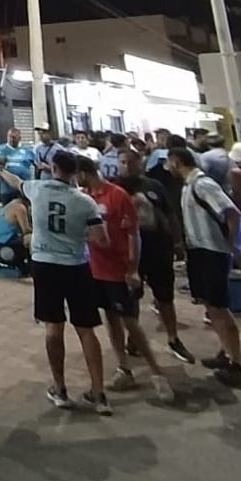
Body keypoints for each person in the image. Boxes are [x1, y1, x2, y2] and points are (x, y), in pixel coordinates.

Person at [0, 152, 113, 414]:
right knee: (86, 329)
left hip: (45, 264)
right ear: (75, 172)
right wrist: (78, 235)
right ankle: (99, 393)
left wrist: (0, 172)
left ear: (53, 167)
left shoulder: (38, 190)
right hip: (76, 265)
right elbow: (101, 239)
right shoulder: (86, 202)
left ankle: (60, 388)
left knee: (53, 327)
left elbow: (17, 183)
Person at [74, 156, 174, 403]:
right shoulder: (86, 198)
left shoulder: (117, 195)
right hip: (96, 269)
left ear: (84, 172)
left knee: (131, 323)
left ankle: (157, 374)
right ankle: (124, 369)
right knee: (111, 319)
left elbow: (133, 235)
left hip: (119, 270)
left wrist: (132, 269)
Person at [167, 147, 241, 386]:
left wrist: (231, 246)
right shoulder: (188, 186)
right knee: (211, 306)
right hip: (200, 251)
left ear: (176, 161)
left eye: (169, 162)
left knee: (219, 308)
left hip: (213, 252)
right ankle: (226, 352)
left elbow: (232, 213)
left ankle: (236, 364)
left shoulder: (203, 184)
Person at [116, 148, 194, 363]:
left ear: (140, 163)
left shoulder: (154, 186)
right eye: (122, 162)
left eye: (130, 162)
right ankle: (133, 338)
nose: (126, 166)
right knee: (131, 298)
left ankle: (173, 338)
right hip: (131, 253)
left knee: (165, 297)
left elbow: (170, 215)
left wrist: (177, 241)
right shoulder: (114, 188)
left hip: (158, 248)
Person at [0, 191, 31, 276]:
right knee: (30, 238)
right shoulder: (19, 208)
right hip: (5, 246)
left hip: (1, 244)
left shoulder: (11, 204)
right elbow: (26, 230)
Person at [0, 127, 34, 198]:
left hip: (24, 188)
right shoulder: (1, 149)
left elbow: (37, 164)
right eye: (10, 137)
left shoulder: (27, 150)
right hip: (7, 189)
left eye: (14, 137)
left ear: (19, 138)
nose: (11, 139)